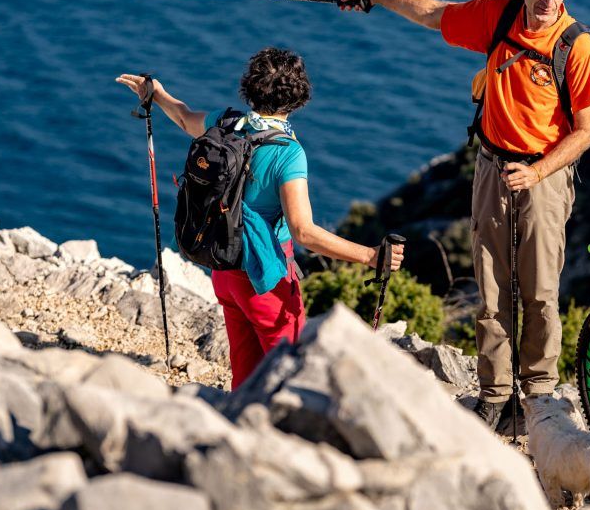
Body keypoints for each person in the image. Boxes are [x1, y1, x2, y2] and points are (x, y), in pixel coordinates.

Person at [339, 0, 590, 428]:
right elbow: (434, 13)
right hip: (491, 168)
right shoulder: (496, 17)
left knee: (541, 289)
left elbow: (587, 128)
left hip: (544, 177)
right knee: (492, 286)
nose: (549, 1)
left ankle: (539, 396)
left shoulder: (577, 46)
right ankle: (495, 393)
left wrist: (540, 170)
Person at [116, 48, 404, 390]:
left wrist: (157, 93)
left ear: (249, 87)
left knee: (246, 373)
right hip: (264, 276)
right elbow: (303, 231)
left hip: (223, 268)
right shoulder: (288, 153)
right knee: (291, 377)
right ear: (298, 97)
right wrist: (370, 256)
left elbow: (183, 117)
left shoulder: (226, 123)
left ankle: (239, 427)